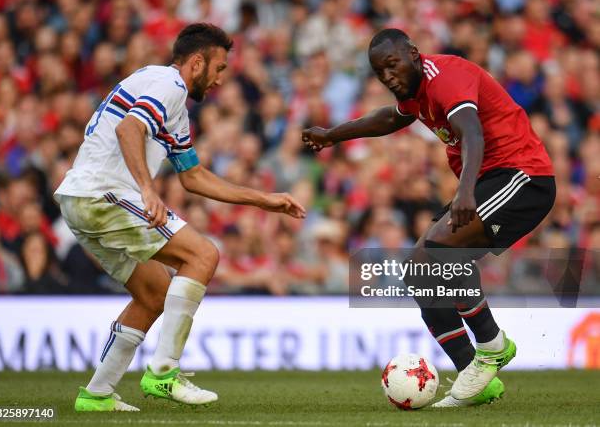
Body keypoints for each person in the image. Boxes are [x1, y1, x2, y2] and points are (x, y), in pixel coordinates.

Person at [55, 23, 306, 412]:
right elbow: (129, 129)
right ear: (196, 62)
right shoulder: (169, 85)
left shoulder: (168, 100)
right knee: (202, 255)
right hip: (102, 194)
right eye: (219, 69)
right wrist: (147, 188)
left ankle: (97, 394)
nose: (221, 79)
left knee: (153, 292)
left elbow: (193, 176)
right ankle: (163, 373)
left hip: (81, 199)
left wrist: (263, 200)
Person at [302, 28, 555, 407]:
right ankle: (477, 377)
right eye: (379, 72)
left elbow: (471, 133)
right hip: (488, 179)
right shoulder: (416, 94)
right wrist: (334, 135)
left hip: (523, 176)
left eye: (392, 65)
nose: (388, 77)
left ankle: (492, 346)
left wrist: (465, 190)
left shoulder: (446, 79)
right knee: (419, 270)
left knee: (441, 249)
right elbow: (390, 118)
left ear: (414, 55)